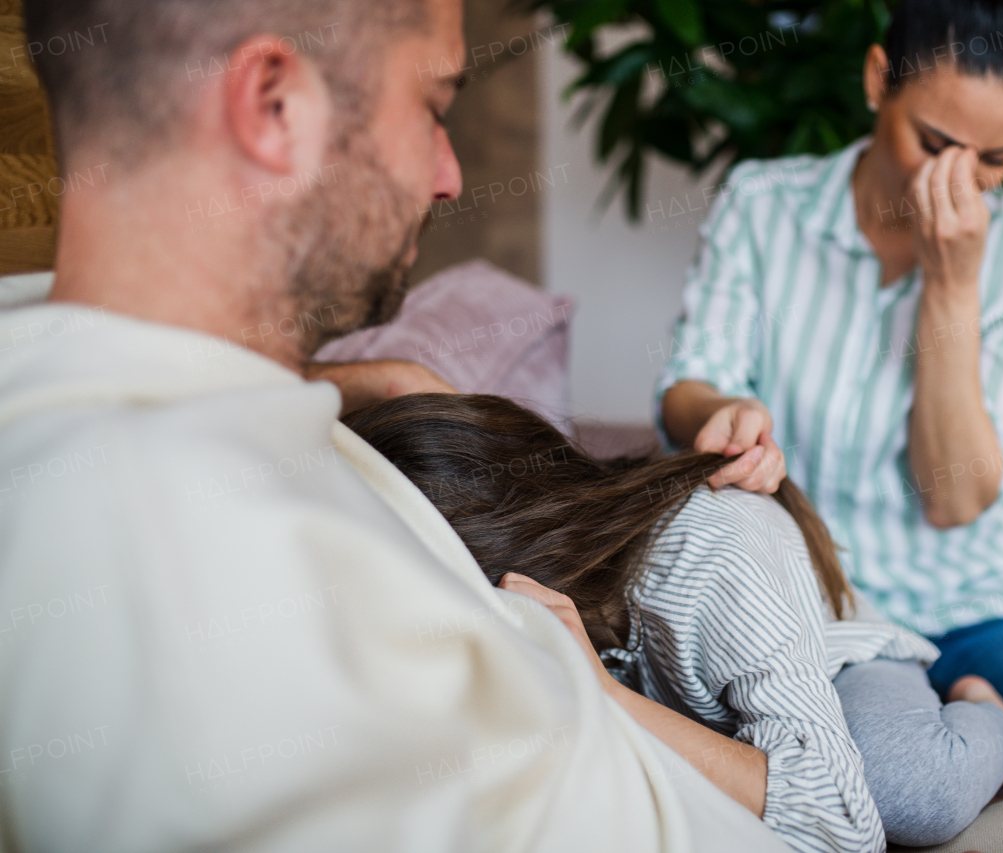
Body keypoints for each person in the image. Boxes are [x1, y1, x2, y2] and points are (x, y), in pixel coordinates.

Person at [0, 1, 790, 850]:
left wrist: (335, 383)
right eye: (434, 109)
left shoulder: (49, 357)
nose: (448, 175)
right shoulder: (230, 634)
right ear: (275, 105)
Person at [656, 0, 1003, 778]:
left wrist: (952, 288)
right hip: (820, 596)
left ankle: (1001, 763)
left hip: (988, 594)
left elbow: (952, 498)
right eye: (936, 142)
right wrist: (723, 411)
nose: (960, 180)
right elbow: (686, 385)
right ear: (879, 79)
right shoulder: (763, 206)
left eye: (997, 159)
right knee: (859, 786)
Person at [343, 392, 1003, 849]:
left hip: (842, 667)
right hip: (736, 718)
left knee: (905, 788)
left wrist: (605, 696)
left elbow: (837, 822)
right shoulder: (539, 567)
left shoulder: (712, 556)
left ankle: (995, 722)